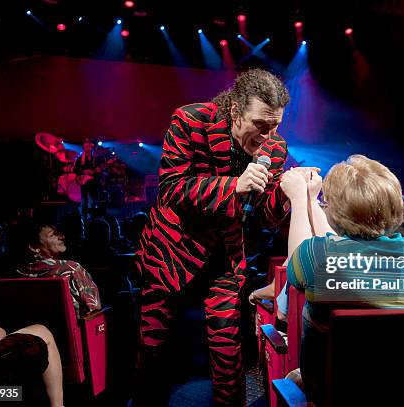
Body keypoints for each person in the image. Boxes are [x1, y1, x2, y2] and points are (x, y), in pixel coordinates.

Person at [135, 69, 317, 406]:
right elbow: (172, 188)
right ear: (235, 110)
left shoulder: (275, 147)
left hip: (224, 258)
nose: (269, 135)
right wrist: (233, 185)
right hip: (171, 251)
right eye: (261, 124)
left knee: (228, 349)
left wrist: (290, 192)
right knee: (153, 346)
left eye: (275, 125)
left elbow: (264, 213)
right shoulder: (190, 121)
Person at [279, 155, 404, 404]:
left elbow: (304, 254)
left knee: (292, 378)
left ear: (336, 211)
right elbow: (342, 247)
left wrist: (300, 201)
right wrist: (312, 200)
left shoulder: (317, 256)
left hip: (329, 389)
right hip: (401, 384)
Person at [14, 221, 102, 318]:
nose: (61, 237)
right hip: (69, 330)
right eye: (52, 235)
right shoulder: (71, 269)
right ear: (34, 247)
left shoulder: (17, 272)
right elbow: (94, 309)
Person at [73, 139, 101, 219]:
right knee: (85, 199)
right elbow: (75, 170)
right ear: (83, 148)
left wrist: (98, 170)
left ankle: (94, 216)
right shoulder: (80, 159)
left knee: (94, 198)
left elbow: (98, 170)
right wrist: (83, 171)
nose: (88, 148)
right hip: (85, 181)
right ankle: (84, 216)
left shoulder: (95, 159)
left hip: (94, 181)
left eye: (89, 146)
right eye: (86, 147)